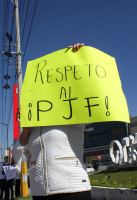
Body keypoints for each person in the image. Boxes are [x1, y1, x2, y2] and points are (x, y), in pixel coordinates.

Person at [12, 43, 92, 200]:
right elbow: (19, 157)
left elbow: (84, 87)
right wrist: (26, 128)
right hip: (41, 192)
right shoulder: (34, 124)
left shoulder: (72, 113)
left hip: (73, 190)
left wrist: (78, 58)